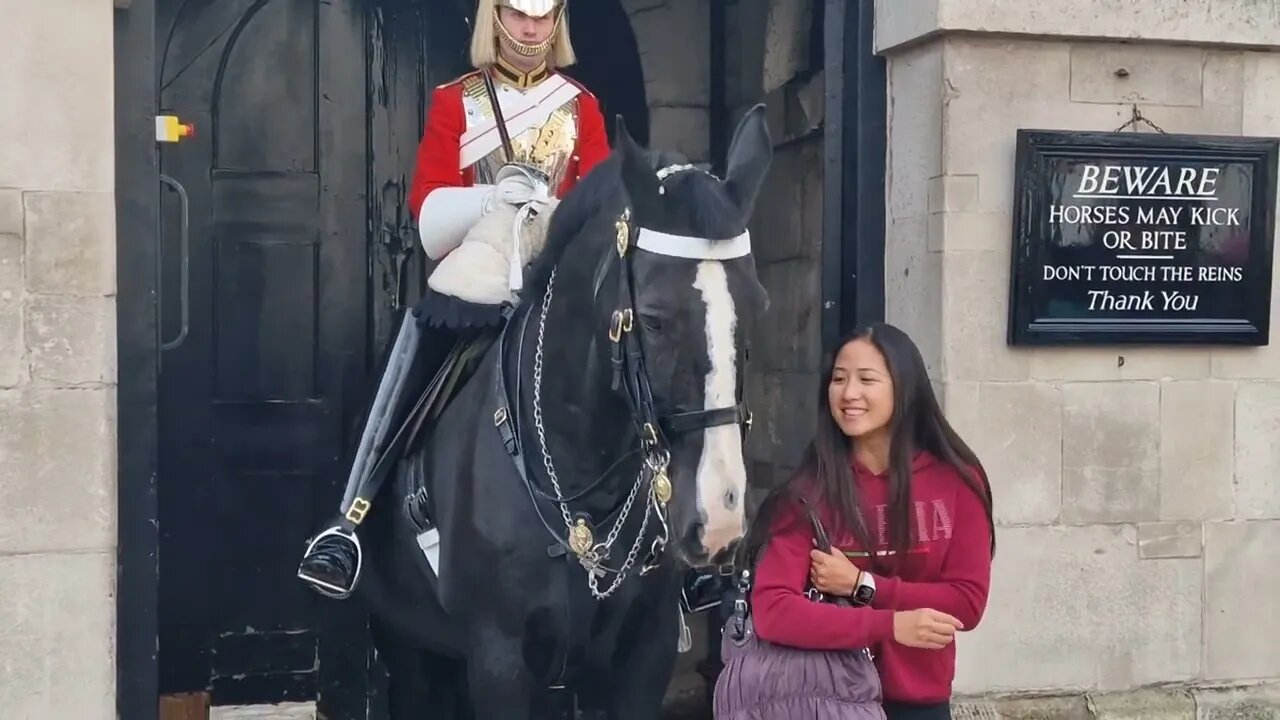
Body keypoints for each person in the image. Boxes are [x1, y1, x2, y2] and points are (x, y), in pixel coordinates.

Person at [297, 0, 611, 600]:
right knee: (411, 354)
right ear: (496, 17)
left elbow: (598, 202)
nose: (531, 29)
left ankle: (674, 554)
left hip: (558, 285)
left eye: (543, 18)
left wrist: (553, 212)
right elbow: (429, 207)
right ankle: (349, 526)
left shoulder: (582, 107)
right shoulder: (457, 99)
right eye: (520, 15)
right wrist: (492, 198)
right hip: (480, 275)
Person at [742, 323, 996, 720]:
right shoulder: (809, 492)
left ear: (903, 386)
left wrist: (863, 586)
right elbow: (773, 610)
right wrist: (889, 625)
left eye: (867, 379)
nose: (849, 393)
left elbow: (965, 602)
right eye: (839, 379)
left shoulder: (956, 481)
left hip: (919, 702)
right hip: (824, 700)